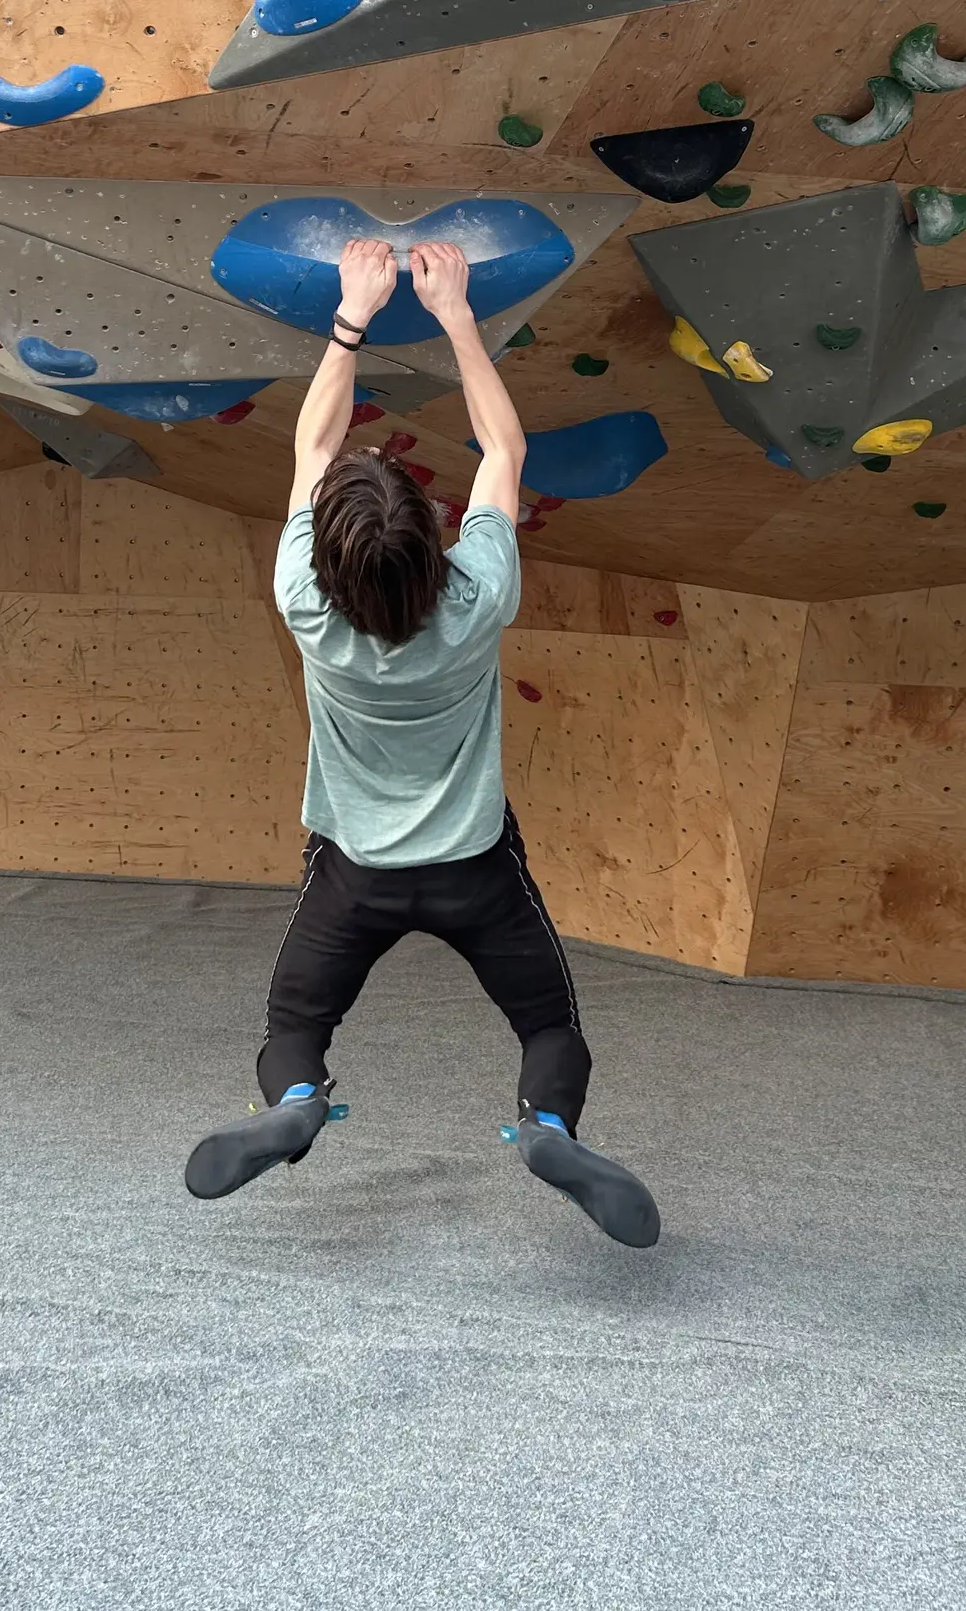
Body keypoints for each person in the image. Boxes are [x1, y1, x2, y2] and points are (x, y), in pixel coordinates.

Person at [183, 237, 659, 1247]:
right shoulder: (478, 597)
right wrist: (454, 315)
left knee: (294, 1031)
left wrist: (351, 316)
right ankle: (544, 1127)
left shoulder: (305, 600)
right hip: (475, 870)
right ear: (434, 539)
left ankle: (298, 1106)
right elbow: (504, 452)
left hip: (352, 871)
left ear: (329, 554)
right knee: (548, 1026)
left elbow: (312, 450)